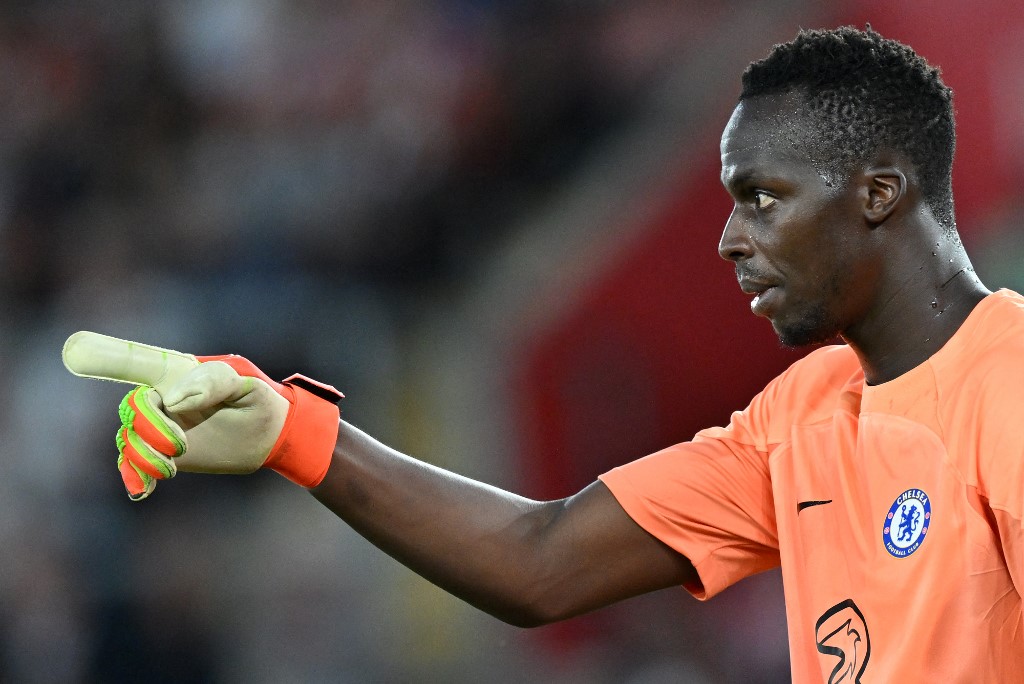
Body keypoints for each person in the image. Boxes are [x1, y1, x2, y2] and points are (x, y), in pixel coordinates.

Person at [67, 26, 1024, 682]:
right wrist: (295, 434)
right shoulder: (804, 414)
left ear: (878, 194)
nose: (730, 239)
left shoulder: (1008, 386)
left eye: (763, 198)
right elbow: (542, 561)